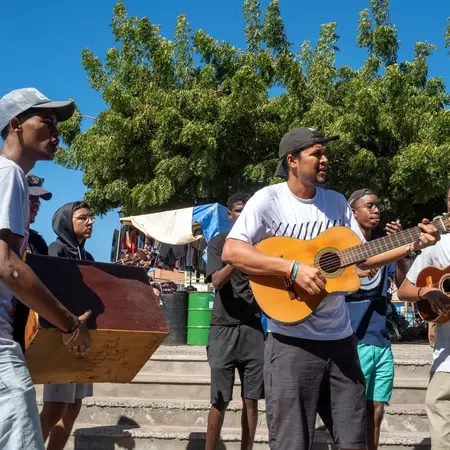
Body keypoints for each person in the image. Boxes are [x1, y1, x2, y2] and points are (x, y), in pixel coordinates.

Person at [221, 127, 439, 450]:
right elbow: (232, 251)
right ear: (292, 161)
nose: (325, 160)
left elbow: (363, 260)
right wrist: (292, 268)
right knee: (292, 443)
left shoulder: (337, 203)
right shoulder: (268, 200)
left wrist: (412, 243)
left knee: (355, 441)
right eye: (317, 154)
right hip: (290, 345)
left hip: (341, 344)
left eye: (325, 154)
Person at [0, 87, 91, 450]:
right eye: (46, 121)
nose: (56, 132)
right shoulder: (9, 175)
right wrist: (70, 324)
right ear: (15, 125)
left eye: (58, 125)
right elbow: (8, 267)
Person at [345, 189, 409, 450]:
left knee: (377, 410)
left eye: (377, 206)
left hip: (381, 341)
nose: (376, 211)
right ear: (353, 212)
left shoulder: (385, 246)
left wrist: (401, 251)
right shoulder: (343, 248)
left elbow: (404, 286)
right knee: (352, 413)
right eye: (369, 206)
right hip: (352, 340)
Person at [205, 192, 264, 450]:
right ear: (230, 215)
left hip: (253, 328)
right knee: (219, 399)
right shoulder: (219, 243)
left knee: (251, 401)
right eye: (239, 210)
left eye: (247, 210)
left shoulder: (263, 244)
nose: (243, 214)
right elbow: (217, 281)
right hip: (223, 328)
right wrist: (238, 256)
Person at [40, 201, 95, 450]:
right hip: (61, 338)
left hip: (84, 339)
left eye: (91, 217)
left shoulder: (89, 256)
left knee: (73, 406)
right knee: (55, 408)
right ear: (66, 222)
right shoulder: (56, 249)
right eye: (83, 218)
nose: (90, 222)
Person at [397, 215, 450, 449]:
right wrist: (427, 292)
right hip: (446, 360)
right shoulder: (437, 243)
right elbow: (404, 290)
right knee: (439, 412)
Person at [27, 174, 52, 255]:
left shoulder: (38, 242)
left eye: (38, 200)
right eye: (30, 198)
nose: (36, 205)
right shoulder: (4, 237)